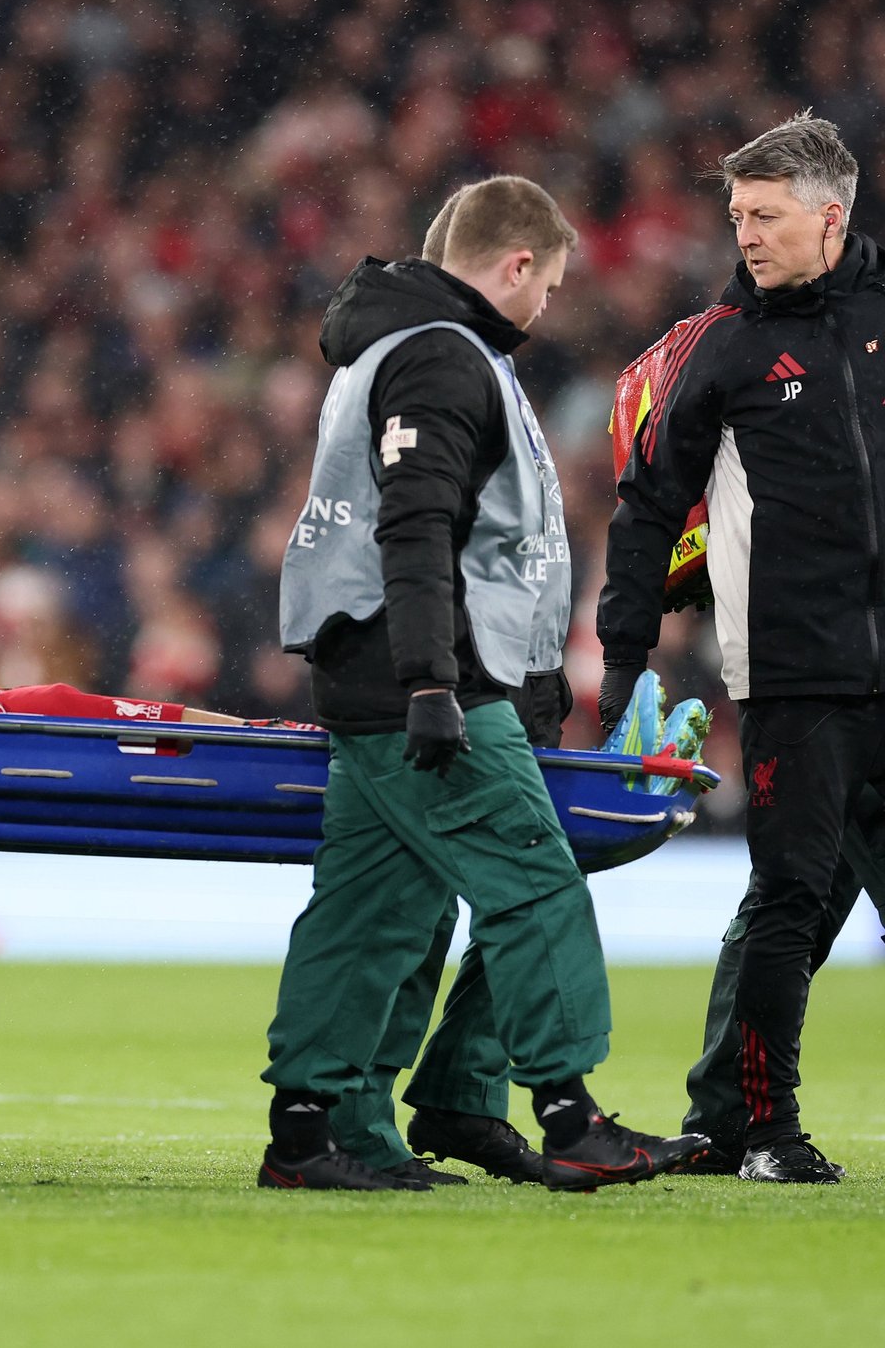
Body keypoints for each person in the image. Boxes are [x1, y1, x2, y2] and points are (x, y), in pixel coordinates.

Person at [264, 174, 707, 1191]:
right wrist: (433, 681)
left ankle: (310, 1128)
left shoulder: (385, 345)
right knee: (533, 883)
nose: (542, 307)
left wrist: (523, 681)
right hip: (424, 672)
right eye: (544, 286)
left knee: (375, 907)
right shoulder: (443, 356)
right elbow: (415, 524)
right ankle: (566, 1111)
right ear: (514, 264)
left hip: (381, 665)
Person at [599, 113, 885, 1185]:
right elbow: (643, 506)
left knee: (790, 903)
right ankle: (760, 1131)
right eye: (736, 216)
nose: (744, 235)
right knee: (785, 900)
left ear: (829, 214)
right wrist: (622, 658)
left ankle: (728, 1114)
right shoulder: (718, 344)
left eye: (763, 216)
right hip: (794, 678)